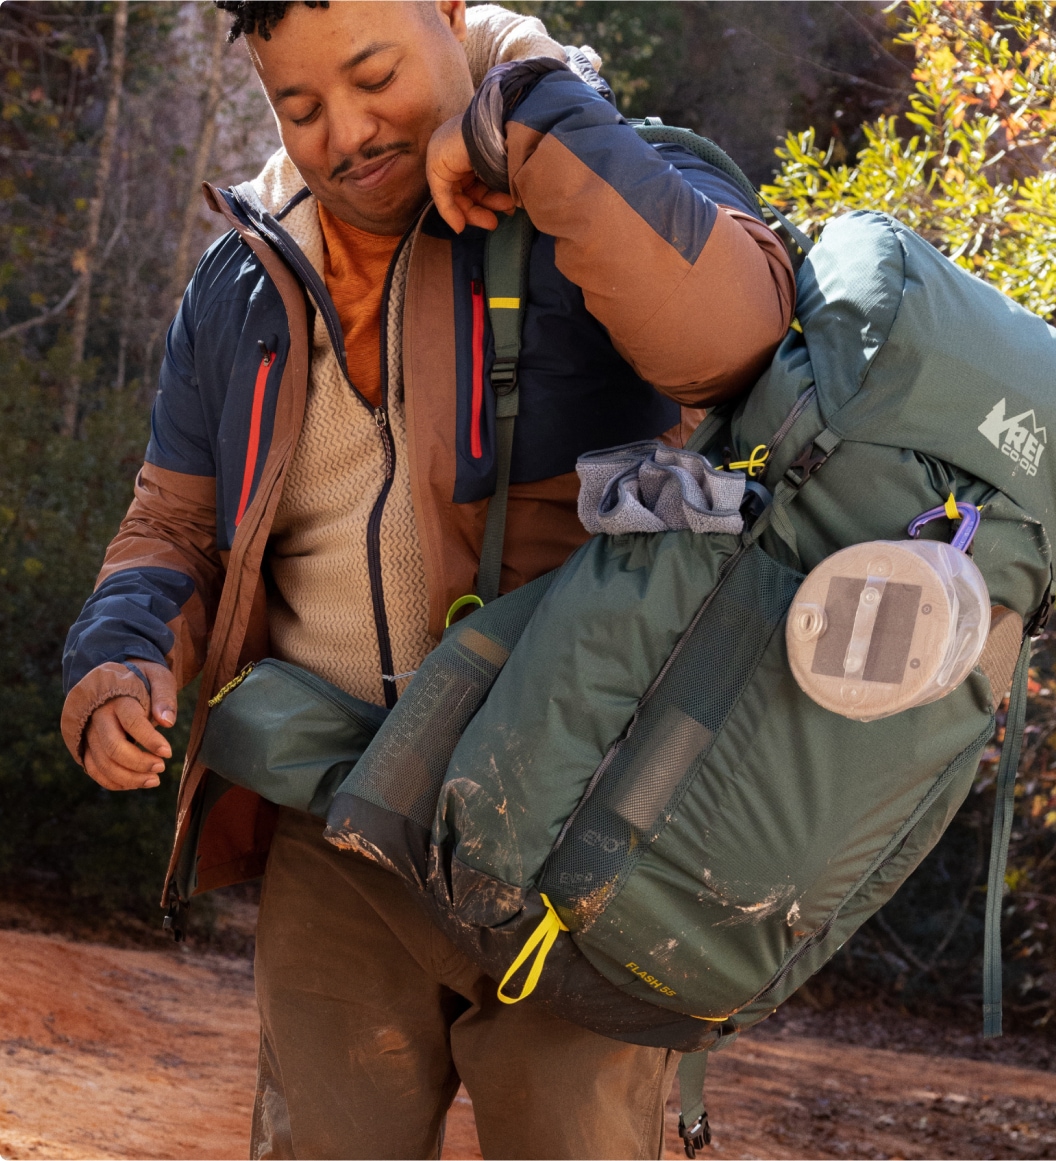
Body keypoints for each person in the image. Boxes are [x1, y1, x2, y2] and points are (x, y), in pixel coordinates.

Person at [60, 3, 795, 1157]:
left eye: (374, 75)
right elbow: (174, 523)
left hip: (577, 831)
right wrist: (120, 653)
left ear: (452, 16)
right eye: (298, 108)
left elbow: (737, 338)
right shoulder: (239, 284)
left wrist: (531, 114)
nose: (345, 131)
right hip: (331, 823)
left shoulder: (595, 173)